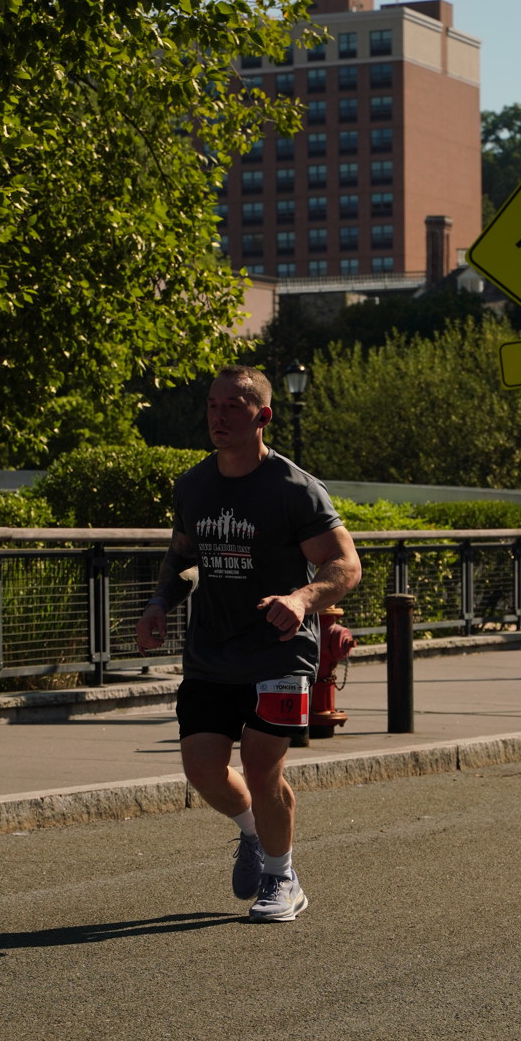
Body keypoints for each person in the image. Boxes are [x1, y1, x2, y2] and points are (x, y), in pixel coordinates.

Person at [136, 364, 361, 922]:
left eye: (233, 406)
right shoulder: (193, 485)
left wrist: (302, 599)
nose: (219, 417)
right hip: (211, 653)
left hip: (279, 651)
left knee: (262, 769)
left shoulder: (294, 489)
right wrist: (160, 602)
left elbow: (345, 564)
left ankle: (282, 879)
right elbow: (183, 556)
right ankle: (254, 832)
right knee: (202, 770)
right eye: (212, 406)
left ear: (263, 416)